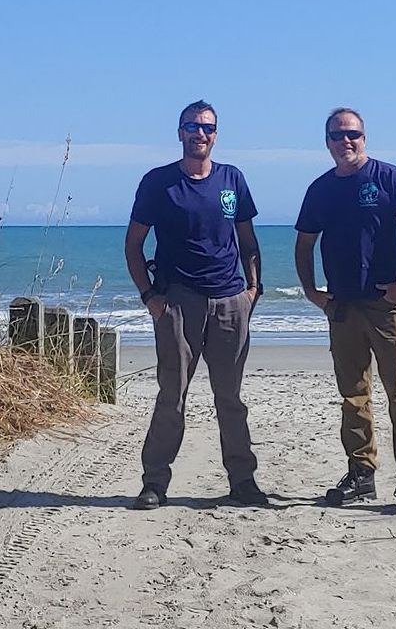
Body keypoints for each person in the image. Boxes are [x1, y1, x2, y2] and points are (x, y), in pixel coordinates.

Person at [125, 99, 267, 509]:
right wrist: (150, 297)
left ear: (215, 135)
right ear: (180, 133)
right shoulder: (158, 182)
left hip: (230, 301)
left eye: (207, 127)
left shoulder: (232, 179)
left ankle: (243, 481)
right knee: (172, 395)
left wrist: (252, 290)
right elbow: (133, 245)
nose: (199, 133)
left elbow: (248, 240)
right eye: (192, 126)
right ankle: (155, 483)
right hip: (178, 302)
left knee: (230, 398)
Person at [294, 107, 396, 511]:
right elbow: (304, 244)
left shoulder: (389, 178)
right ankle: (361, 473)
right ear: (327, 142)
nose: (345, 141)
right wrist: (311, 291)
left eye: (352, 134)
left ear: (364, 137)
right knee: (353, 395)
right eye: (337, 135)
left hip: (384, 305)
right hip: (341, 306)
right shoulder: (320, 189)